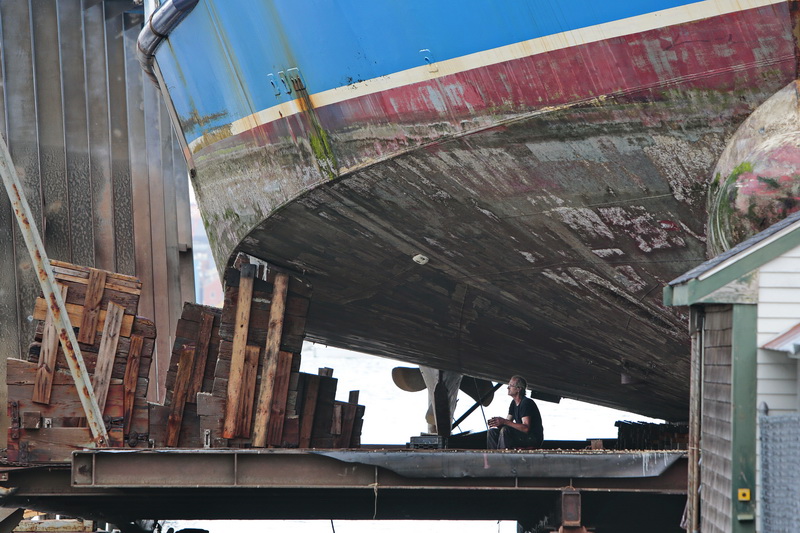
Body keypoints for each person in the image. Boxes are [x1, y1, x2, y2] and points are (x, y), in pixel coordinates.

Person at [487, 375, 543, 449]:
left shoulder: (526, 403)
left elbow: (526, 428)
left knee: (505, 431)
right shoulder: (513, 403)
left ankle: (504, 457)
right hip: (522, 436)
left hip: (532, 438)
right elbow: (507, 422)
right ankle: (494, 457)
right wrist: (498, 423)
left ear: (518, 389)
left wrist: (503, 421)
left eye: (511, 385)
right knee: (492, 432)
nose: (508, 388)